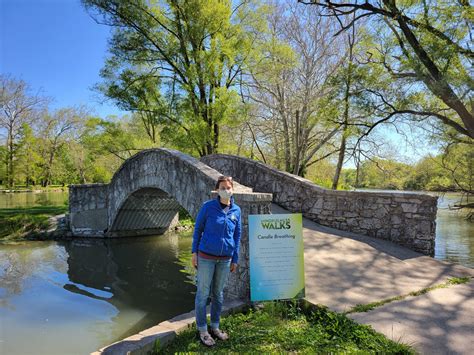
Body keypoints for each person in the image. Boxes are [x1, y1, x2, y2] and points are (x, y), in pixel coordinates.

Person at [191, 175, 242, 347]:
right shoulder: (208, 207)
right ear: (217, 190)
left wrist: (235, 257)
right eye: (222, 187)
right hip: (206, 257)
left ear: (232, 189)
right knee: (203, 294)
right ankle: (203, 330)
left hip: (225, 259)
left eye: (228, 187)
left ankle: (215, 326)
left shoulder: (237, 211)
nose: (226, 190)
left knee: (219, 294)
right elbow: (198, 230)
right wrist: (194, 253)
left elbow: (237, 235)